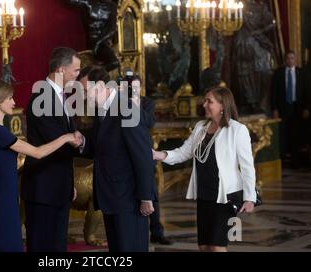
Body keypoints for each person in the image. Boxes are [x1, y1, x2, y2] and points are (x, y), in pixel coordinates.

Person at [0, 79, 80, 252]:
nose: (14, 102)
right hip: (3, 199)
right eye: (10, 98)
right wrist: (66, 137)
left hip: (2, 194)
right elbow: (38, 153)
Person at [153, 86, 257, 252]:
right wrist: (159, 155)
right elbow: (183, 153)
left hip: (226, 197)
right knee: (204, 247)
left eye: (209, 101)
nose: (204, 104)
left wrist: (250, 198)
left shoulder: (237, 130)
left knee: (217, 246)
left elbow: (247, 167)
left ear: (222, 105)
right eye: (205, 100)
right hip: (204, 194)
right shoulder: (200, 127)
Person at [77, 67, 155, 252]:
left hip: (128, 198)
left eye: (85, 91)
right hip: (112, 196)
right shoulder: (102, 110)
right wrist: (81, 142)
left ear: (101, 86)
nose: (84, 96)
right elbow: (101, 148)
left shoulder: (126, 109)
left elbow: (142, 156)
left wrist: (145, 197)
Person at [21, 47, 82, 252]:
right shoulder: (42, 98)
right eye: (75, 70)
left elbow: (68, 139)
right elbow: (57, 141)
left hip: (58, 187)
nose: (78, 75)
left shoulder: (59, 96)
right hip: (43, 188)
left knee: (57, 248)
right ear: (61, 69)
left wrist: (69, 183)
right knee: (42, 247)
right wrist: (80, 142)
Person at [131, 75, 172, 245]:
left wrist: (134, 105)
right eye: (131, 87)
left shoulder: (147, 103)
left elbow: (148, 123)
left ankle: (157, 231)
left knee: (151, 192)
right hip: (127, 153)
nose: (134, 90)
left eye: (137, 87)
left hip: (144, 151)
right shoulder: (118, 104)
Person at [61, 0, 120, 72]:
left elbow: (112, 28)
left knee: (114, 62)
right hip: (90, 43)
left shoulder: (112, 7)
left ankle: (94, 74)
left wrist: (98, 43)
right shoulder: (88, 4)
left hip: (103, 43)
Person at [232, 0, 275, 114]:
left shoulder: (261, 7)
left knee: (266, 67)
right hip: (244, 40)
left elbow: (272, 23)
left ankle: (262, 101)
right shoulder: (238, 6)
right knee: (245, 66)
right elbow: (230, 22)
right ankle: (248, 100)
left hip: (258, 39)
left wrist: (261, 31)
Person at [271, 50, 308, 168]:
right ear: (285, 60)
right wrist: (274, 108)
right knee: (282, 134)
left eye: (292, 58)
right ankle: (282, 161)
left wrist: (307, 108)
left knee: (296, 134)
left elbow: (306, 91)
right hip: (283, 108)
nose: (290, 60)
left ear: (295, 59)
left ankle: (296, 161)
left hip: (297, 108)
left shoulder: (301, 73)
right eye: (288, 58)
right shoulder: (279, 73)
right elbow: (274, 92)